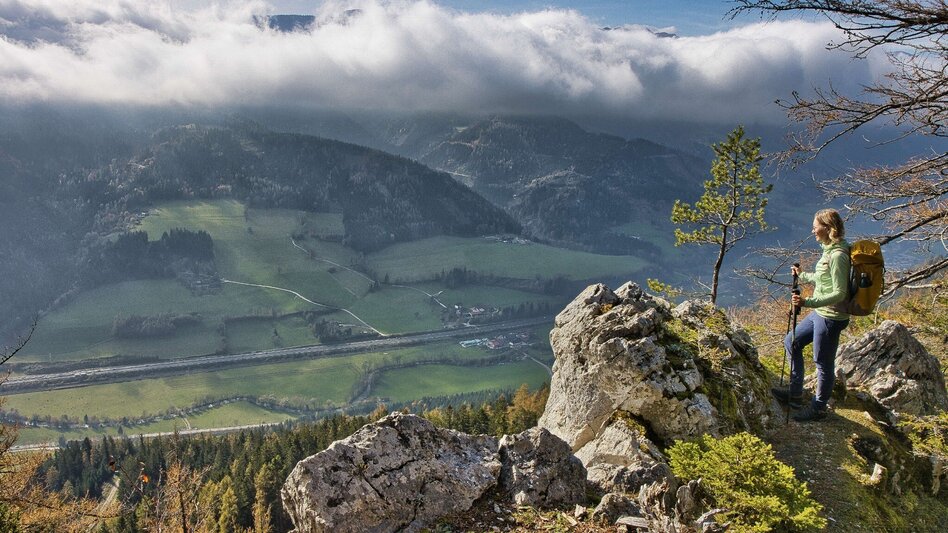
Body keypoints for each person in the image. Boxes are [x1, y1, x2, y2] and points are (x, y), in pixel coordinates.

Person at [773, 208, 851, 422]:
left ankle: (819, 407)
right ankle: (795, 393)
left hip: (831, 317)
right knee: (792, 341)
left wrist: (808, 302)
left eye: (816, 226)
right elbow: (822, 279)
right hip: (820, 312)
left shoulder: (838, 256)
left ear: (827, 228)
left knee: (822, 362)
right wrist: (803, 275)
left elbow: (839, 292)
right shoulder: (829, 249)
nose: (813, 229)